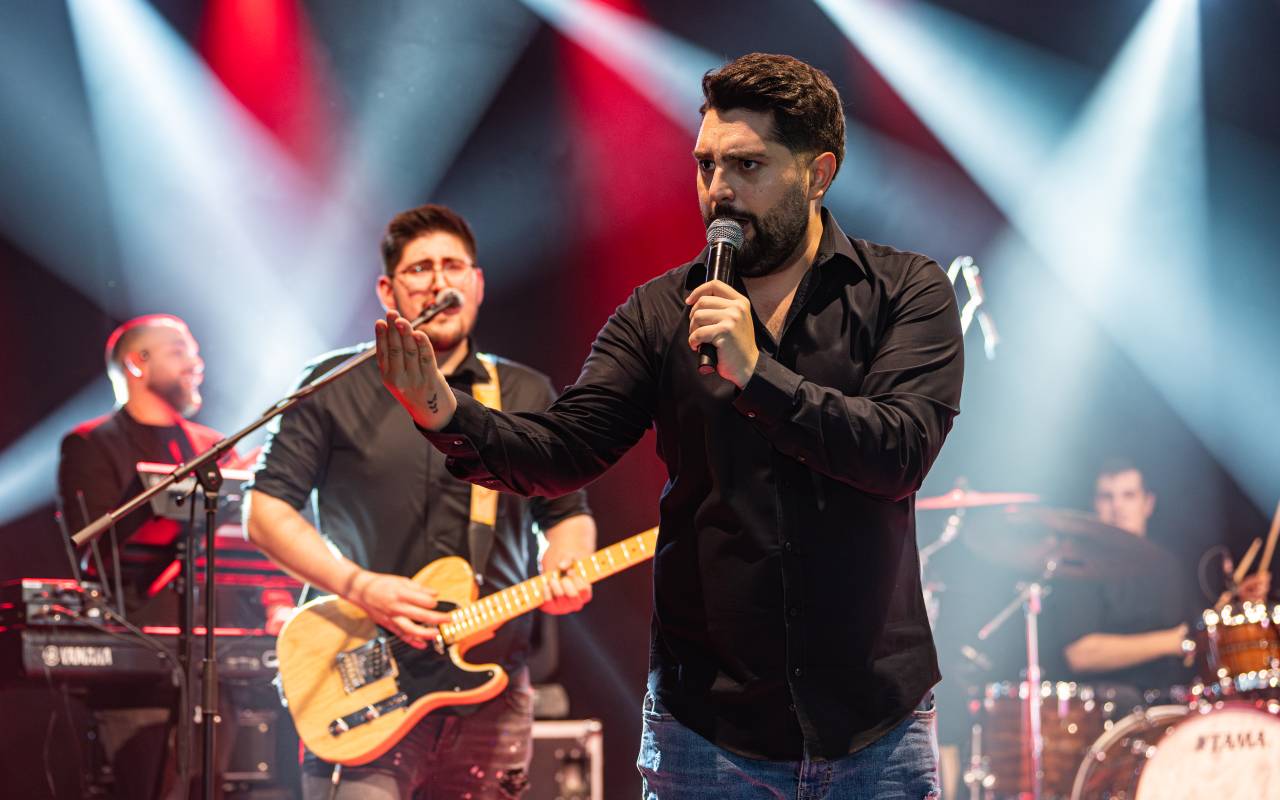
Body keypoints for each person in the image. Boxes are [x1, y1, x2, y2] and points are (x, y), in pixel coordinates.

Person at [376, 54, 964, 799]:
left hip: (872, 727)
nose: (719, 191)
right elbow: (565, 449)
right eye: (706, 165)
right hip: (708, 732)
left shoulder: (905, 290)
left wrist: (758, 374)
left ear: (818, 174)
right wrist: (443, 411)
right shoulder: (658, 313)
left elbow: (898, 452)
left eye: (747, 165)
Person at [244, 203, 597, 800]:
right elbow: (264, 511)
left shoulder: (524, 390)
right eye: (420, 269)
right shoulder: (332, 384)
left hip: (491, 690)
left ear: (477, 284)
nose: (439, 282)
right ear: (388, 291)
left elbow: (565, 514)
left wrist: (568, 561)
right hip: (364, 679)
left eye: (454, 266)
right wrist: (359, 586)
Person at [56, 313, 274, 799]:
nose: (197, 362)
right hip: (138, 665)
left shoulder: (212, 447)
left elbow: (245, 545)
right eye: (179, 351)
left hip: (215, 659)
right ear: (137, 363)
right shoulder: (91, 444)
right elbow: (96, 552)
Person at [1043, 458, 1270, 691]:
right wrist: (1171, 642)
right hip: (1111, 703)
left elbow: (1200, 633)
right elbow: (1079, 655)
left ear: (1148, 503)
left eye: (1128, 495)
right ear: (1094, 505)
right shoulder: (1077, 567)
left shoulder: (1168, 565)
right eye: (1107, 497)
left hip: (1174, 699)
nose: (1117, 507)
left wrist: (1240, 603)